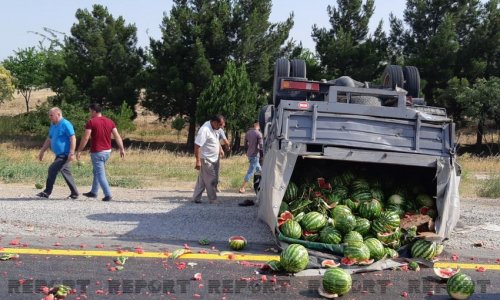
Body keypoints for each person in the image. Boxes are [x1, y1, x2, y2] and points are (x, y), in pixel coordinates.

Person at [76, 103, 125, 201]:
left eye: (90, 111)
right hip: (107, 151)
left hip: (97, 152)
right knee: (96, 172)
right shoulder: (110, 121)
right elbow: (117, 136)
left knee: (100, 174)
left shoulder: (91, 122)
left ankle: (108, 194)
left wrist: (79, 150)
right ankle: (93, 192)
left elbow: (86, 138)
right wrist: (122, 149)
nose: (89, 113)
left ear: (94, 111)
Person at [36, 107, 79, 199]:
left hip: (65, 154)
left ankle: (47, 192)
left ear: (58, 114)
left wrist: (71, 153)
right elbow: (49, 138)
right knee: (66, 172)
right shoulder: (53, 124)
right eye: (49, 115)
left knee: (52, 169)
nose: (49, 117)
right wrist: (42, 151)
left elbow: (73, 138)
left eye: (51, 115)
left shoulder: (66, 124)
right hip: (59, 154)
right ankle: (75, 193)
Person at [192, 114, 225, 204]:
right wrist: (198, 161)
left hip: (214, 158)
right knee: (212, 179)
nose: (221, 127)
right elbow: (197, 146)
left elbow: (216, 140)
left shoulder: (215, 128)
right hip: (207, 159)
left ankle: (196, 198)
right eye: (220, 125)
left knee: (202, 180)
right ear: (214, 122)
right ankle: (213, 199)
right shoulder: (204, 130)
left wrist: (220, 149)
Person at [239, 120, 263, 195]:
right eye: (259, 124)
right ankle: (242, 187)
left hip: (249, 154)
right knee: (250, 172)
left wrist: (247, 152)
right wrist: (262, 155)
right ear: (256, 124)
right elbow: (261, 146)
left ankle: (261, 187)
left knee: (260, 170)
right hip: (255, 155)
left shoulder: (248, 133)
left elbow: (245, 144)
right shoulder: (258, 134)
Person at [215, 124, 230, 192]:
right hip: (214, 153)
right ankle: (215, 186)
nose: (223, 126)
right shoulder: (220, 130)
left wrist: (221, 149)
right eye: (223, 125)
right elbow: (225, 141)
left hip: (206, 152)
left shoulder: (210, 129)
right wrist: (228, 146)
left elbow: (217, 141)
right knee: (216, 169)